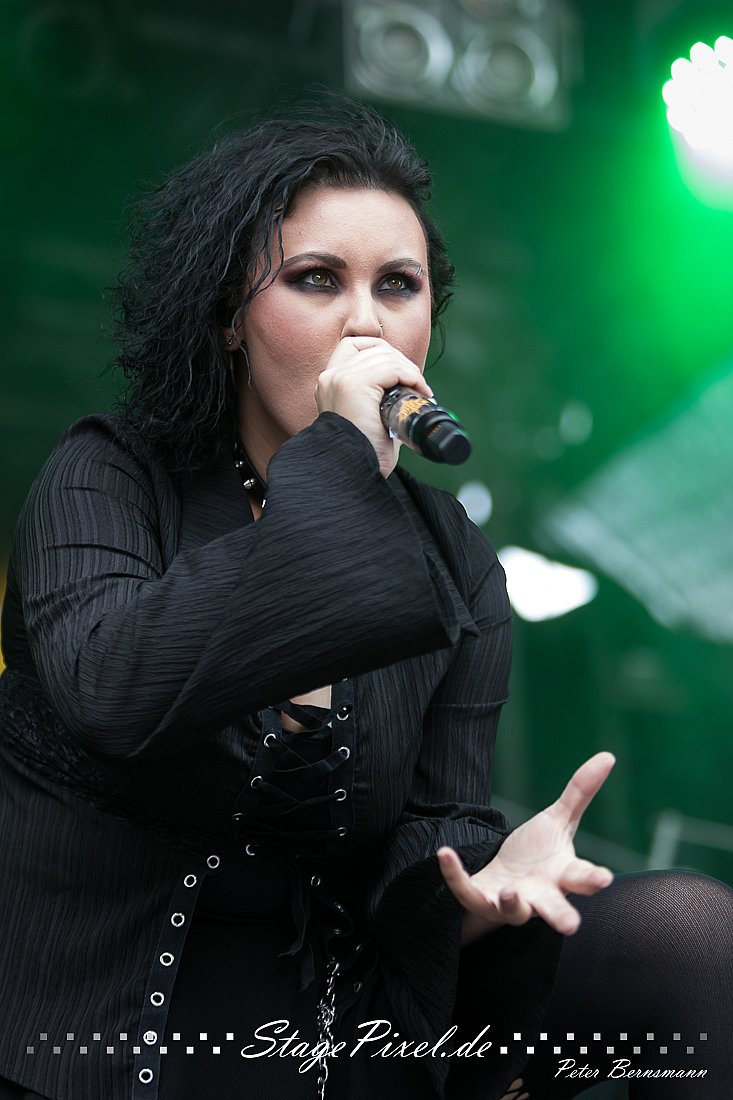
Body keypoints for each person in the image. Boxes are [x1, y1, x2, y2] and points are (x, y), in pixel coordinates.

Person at [0, 95, 730, 1100]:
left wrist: (486, 881)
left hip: (330, 1017)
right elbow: (115, 691)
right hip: (95, 1021)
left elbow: (428, 831)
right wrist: (340, 451)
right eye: (316, 279)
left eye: (398, 285)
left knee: (690, 932)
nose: (366, 321)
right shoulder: (111, 474)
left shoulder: (454, 557)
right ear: (227, 319)